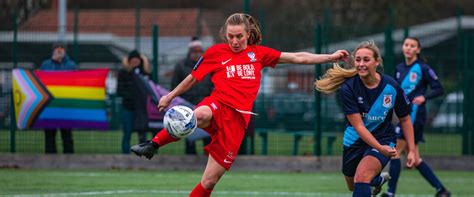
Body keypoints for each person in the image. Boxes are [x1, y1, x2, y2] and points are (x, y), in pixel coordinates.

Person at [130, 13, 349, 196]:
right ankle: (154, 144)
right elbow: (193, 78)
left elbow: (298, 57)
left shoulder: (259, 54)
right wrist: (169, 96)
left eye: (239, 37)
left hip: (237, 121)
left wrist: (330, 57)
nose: (235, 41)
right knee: (196, 115)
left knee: (208, 182)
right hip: (218, 104)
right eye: (230, 37)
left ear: (248, 34)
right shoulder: (215, 53)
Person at [315, 40, 416, 197]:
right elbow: (359, 127)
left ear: (377, 62)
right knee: (353, 185)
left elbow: (405, 119)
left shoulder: (391, 86)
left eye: (366, 60)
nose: (361, 64)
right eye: (358, 59)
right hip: (354, 140)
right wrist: (381, 149)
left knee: (361, 177)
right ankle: (377, 181)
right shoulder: (348, 88)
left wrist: (411, 150)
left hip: (382, 139)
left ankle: (370, 180)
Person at [381, 37, 450, 197]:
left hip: (415, 115)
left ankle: (390, 193)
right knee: (415, 158)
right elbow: (397, 92)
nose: (409, 48)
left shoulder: (423, 68)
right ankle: (441, 190)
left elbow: (438, 88)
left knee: (395, 151)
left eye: (412, 46)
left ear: (418, 50)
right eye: (406, 45)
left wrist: (424, 97)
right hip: (402, 115)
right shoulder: (399, 68)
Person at [172, 37, 212, 155]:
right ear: (190, 52)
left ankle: (207, 157)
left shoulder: (208, 65)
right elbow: (175, 85)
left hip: (205, 103)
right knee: (189, 131)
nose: (197, 54)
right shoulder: (181, 66)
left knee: (207, 132)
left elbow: (212, 83)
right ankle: (190, 157)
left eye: (199, 52)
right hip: (187, 105)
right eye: (195, 52)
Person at [40, 43, 76, 154]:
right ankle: (50, 157)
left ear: (65, 51)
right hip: (50, 105)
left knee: (67, 134)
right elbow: (40, 80)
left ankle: (69, 157)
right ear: (53, 51)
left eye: (61, 48)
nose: (59, 50)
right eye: (57, 48)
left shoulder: (71, 65)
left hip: (65, 106)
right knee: (49, 134)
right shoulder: (46, 65)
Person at [117, 50, 152, 154]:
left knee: (142, 134)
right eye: (132, 60)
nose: (135, 61)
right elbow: (120, 90)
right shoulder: (123, 74)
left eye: (137, 59)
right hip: (128, 108)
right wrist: (131, 97)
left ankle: (143, 155)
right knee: (127, 133)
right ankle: (125, 155)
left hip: (142, 109)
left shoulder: (146, 74)